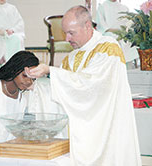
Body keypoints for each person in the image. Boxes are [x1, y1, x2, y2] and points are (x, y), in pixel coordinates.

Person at [26, 6, 141, 166]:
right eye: (65, 33)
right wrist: (35, 88)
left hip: (106, 133)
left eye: (71, 33)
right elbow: (64, 96)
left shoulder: (108, 48)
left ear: (87, 26)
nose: (66, 38)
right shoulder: (71, 58)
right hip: (83, 136)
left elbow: (91, 87)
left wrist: (50, 70)